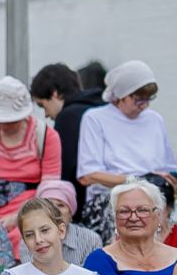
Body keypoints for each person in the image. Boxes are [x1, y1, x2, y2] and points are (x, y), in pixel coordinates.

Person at [76, 61, 177, 240]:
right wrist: (137, 180)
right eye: (138, 99)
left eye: (148, 99)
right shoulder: (95, 119)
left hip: (155, 195)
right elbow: (88, 175)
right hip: (112, 197)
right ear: (120, 95)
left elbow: (167, 167)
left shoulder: (154, 120)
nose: (144, 105)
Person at [0, 76, 61, 251]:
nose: (7, 125)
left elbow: (51, 188)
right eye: (1, 120)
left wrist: (19, 216)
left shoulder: (46, 136)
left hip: (29, 213)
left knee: (26, 239)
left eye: (13, 120)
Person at [31, 61, 104, 208]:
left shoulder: (67, 117)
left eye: (42, 105)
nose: (45, 114)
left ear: (55, 93)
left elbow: (66, 171)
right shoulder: (101, 109)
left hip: (85, 204)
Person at [34, 179, 103, 265]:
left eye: (60, 205)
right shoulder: (30, 240)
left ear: (70, 213)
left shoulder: (92, 240)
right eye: (49, 205)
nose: (55, 210)